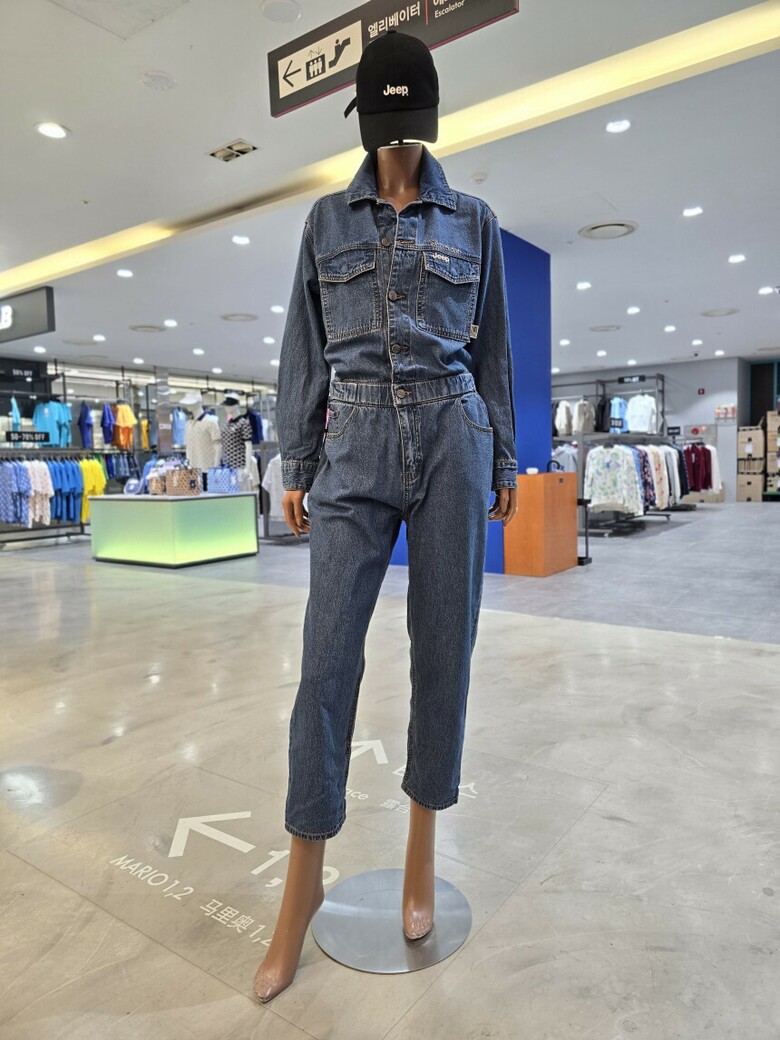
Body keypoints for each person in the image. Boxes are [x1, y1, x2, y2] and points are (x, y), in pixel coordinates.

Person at [253, 30, 518, 1004]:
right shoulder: (327, 220)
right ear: (365, 123)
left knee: (444, 651)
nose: (398, 143)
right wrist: (298, 458)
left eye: (410, 125)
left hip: (453, 435)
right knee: (326, 662)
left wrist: (503, 454)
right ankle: (301, 881)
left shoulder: (475, 221)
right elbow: (303, 345)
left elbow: (491, 350)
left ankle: (420, 853)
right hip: (354, 438)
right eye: (386, 125)